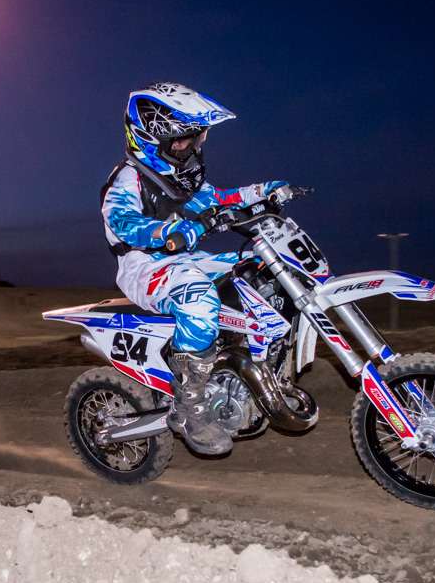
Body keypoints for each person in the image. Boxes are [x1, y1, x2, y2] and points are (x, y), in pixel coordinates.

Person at [101, 82, 293, 455]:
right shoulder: (128, 177)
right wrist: (167, 232)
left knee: (263, 267)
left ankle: (255, 367)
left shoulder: (181, 178)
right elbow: (122, 220)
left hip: (182, 260)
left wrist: (265, 191)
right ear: (151, 139)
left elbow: (222, 199)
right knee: (199, 298)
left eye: (196, 138)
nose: (192, 147)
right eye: (182, 141)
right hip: (143, 265)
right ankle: (190, 406)